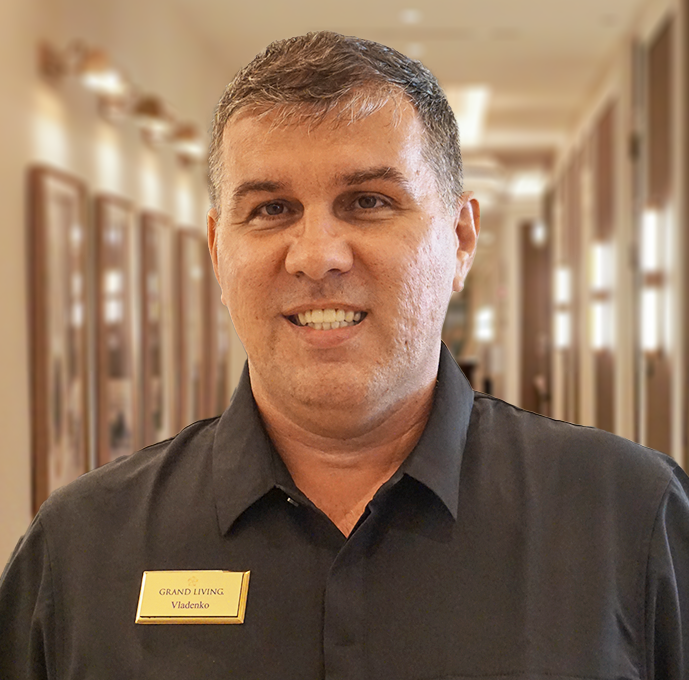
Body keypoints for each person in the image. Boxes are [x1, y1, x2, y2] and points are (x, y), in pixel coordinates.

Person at [1, 31, 688, 680]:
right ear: (217, 251)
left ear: (459, 240)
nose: (317, 256)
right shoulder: (82, 547)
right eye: (271, 209)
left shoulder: (628, 517)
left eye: (367, 201)